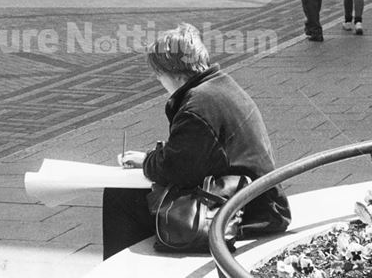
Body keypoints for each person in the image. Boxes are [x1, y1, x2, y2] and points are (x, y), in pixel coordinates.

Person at [103, 23, 291, 259]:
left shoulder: (198, 106)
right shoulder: (218, 85)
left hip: (247, 210)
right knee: (138, 191)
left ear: (171, 73)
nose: (159, 82)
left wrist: (151, 161)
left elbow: (176, 169)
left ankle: (120, 269)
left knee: (121, 196)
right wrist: (149, 159)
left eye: (158, 75)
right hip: (256, 197)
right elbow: (193, 155)